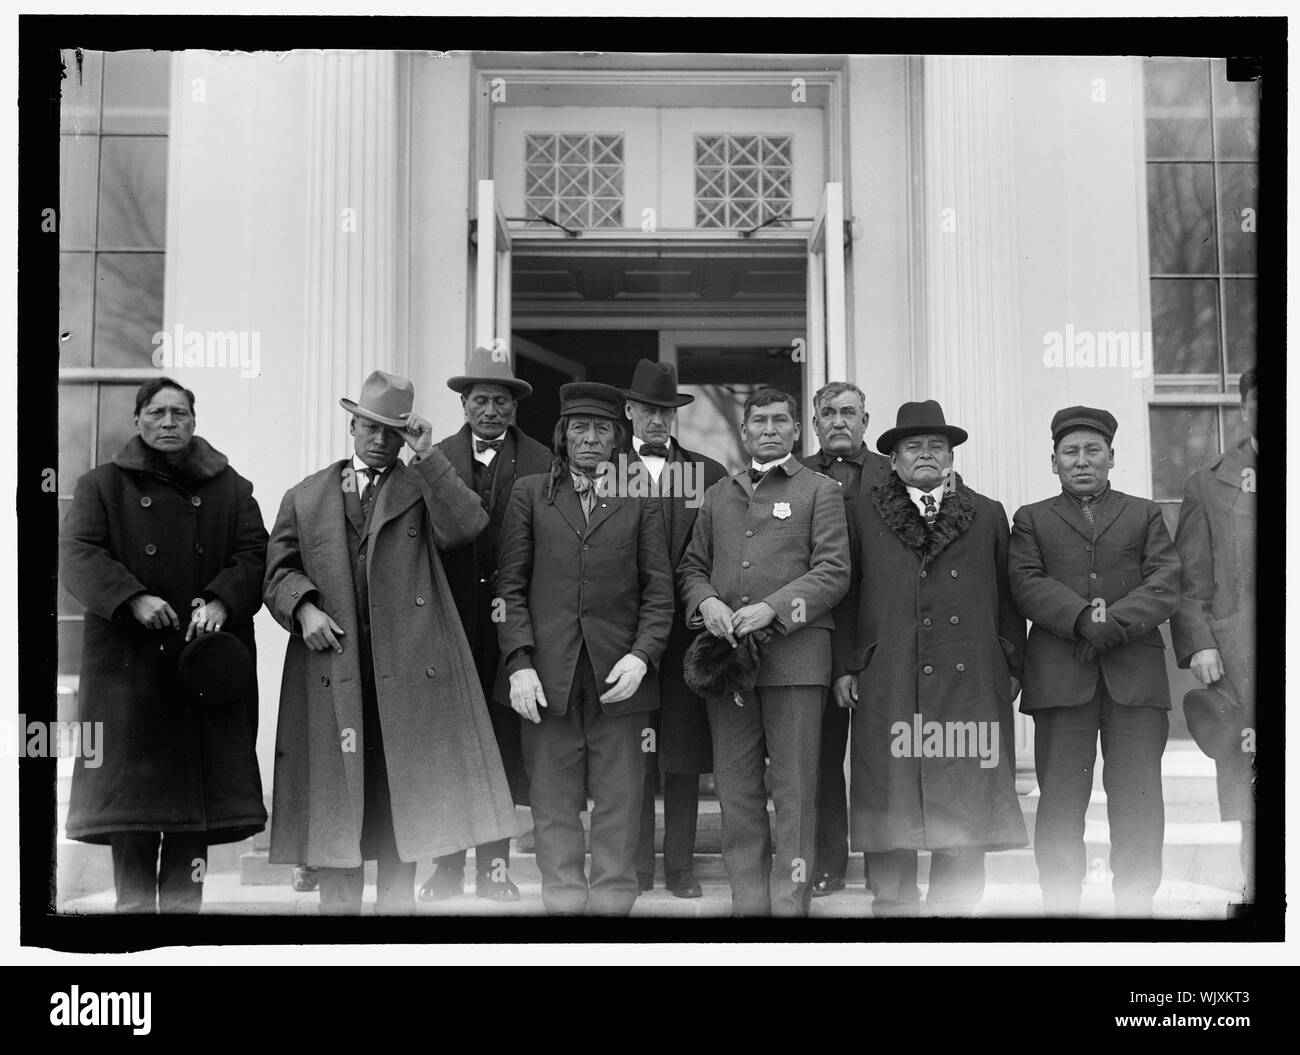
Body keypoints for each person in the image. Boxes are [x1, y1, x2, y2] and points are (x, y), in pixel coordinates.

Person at [264, 370, 520, 915]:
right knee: (339, 810)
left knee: (398, 807)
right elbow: (277, 571)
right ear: (352, 426)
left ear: (405, 433)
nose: (379, 441)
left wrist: (428, 456)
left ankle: (393, 930)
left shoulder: (423, 488)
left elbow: (467, 525)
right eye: (369, 428)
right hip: (336, 672)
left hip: (406, 673)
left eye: (392, 431)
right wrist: (304, 606)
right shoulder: (307, 495)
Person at [60, 377, 268, 913]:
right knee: (130, 815)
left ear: (194, 422)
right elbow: (77, 554)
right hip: (130, 676)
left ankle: (180, 928)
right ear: (138, 420)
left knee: (190, 821)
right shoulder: (101, 486)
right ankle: (133, 921)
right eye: (158, 413)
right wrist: (132, 598)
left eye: (180, 413)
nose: (169, 422)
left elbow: (253, 555)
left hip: (200, 674)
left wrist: (222, 600)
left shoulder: (232, 489)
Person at [833, 400, 1026, 917]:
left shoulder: (987, 513)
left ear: (950, 457)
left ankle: (954, 907)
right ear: (893, 460)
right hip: (890, 670)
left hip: (969, 675)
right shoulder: (860, 511)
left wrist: (1011, 661)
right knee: (891, 786)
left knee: (962, 782)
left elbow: (1007, 597)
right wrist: (847, 666)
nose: (924, 455)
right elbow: (846, 595)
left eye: (935, 446)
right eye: (912, 447)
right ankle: (893, 905)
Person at [495, 381, 674, 916]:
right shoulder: (530, 493)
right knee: (553, 805)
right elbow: (508, 591)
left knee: (622, 804)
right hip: (546, 681)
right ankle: (565, 910)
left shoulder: (640, 499)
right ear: (563, 435)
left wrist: (642, 656)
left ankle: (614, 908)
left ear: (617, 438)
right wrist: (520, 664)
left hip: (621, 681)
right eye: (580, 428)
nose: (590, 439)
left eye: (601, 429)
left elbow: (659, 593)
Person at [678, 388, 849, 917]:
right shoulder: (717, 495)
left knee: (796, 791)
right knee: (737, 790)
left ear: (797, 430)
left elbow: (833, 571)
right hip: (729, 662)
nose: (770, 429)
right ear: (746, 432)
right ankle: (749, 907)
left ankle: (789, 906)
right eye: (760, 421)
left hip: (796, 663)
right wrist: (706, 603)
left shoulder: (821, 490)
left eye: (781, 420)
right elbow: (691, 568)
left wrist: (773, 608)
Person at [1009, 406, 1181, 917]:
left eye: (1092, 451)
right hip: (1062, 678)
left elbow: (1165, 583)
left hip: (1135, 679)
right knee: (1061, 800)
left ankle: (1136, 907)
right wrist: (1083, 618)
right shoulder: (1031, 518)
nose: (1081, 461)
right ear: (1054, 462)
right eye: (1070, 453)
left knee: (1139, 798)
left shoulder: (1144, 513)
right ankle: (1061, 908)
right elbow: (1025, 583)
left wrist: (1112, 625)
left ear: (1111, 457)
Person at [420, 347, 552, 903]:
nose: (491, 410)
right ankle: (446, 870)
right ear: (463, 403)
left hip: (515, 623)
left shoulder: (545, 460)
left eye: (501, 401)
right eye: (481, 400)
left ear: (514, 407)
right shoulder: (433, 456)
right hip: (452, 620)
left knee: (500, 744)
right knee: (451, 743)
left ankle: (496, 873)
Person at [620, 359, 727, 899]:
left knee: (682, 755)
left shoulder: (706, 473)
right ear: (630, 411)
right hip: (628, 637)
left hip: (686, 634)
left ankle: (680, 866)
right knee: (632, 754)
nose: (657, 420)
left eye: (666, 411)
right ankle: (637, 866)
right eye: (647, 410)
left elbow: (719, 550)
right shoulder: (609, 470)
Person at [801, 381, 891, 898]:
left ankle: (884, 865)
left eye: (849, 413)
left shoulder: (891, 473)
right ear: (814, 425)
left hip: (881, 635)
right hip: (818, 635)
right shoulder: (797, 476)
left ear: (865, 421)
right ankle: (827, 864)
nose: (839, 421)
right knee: (819, 759)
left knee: (880, 758)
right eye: (828, 413)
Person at [1172, 369, 1257, 911]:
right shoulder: (1210, 482)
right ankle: (1260, 890)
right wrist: (1200, 640)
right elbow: (1190, 577)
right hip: (1243, 655)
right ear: (1246, 407)